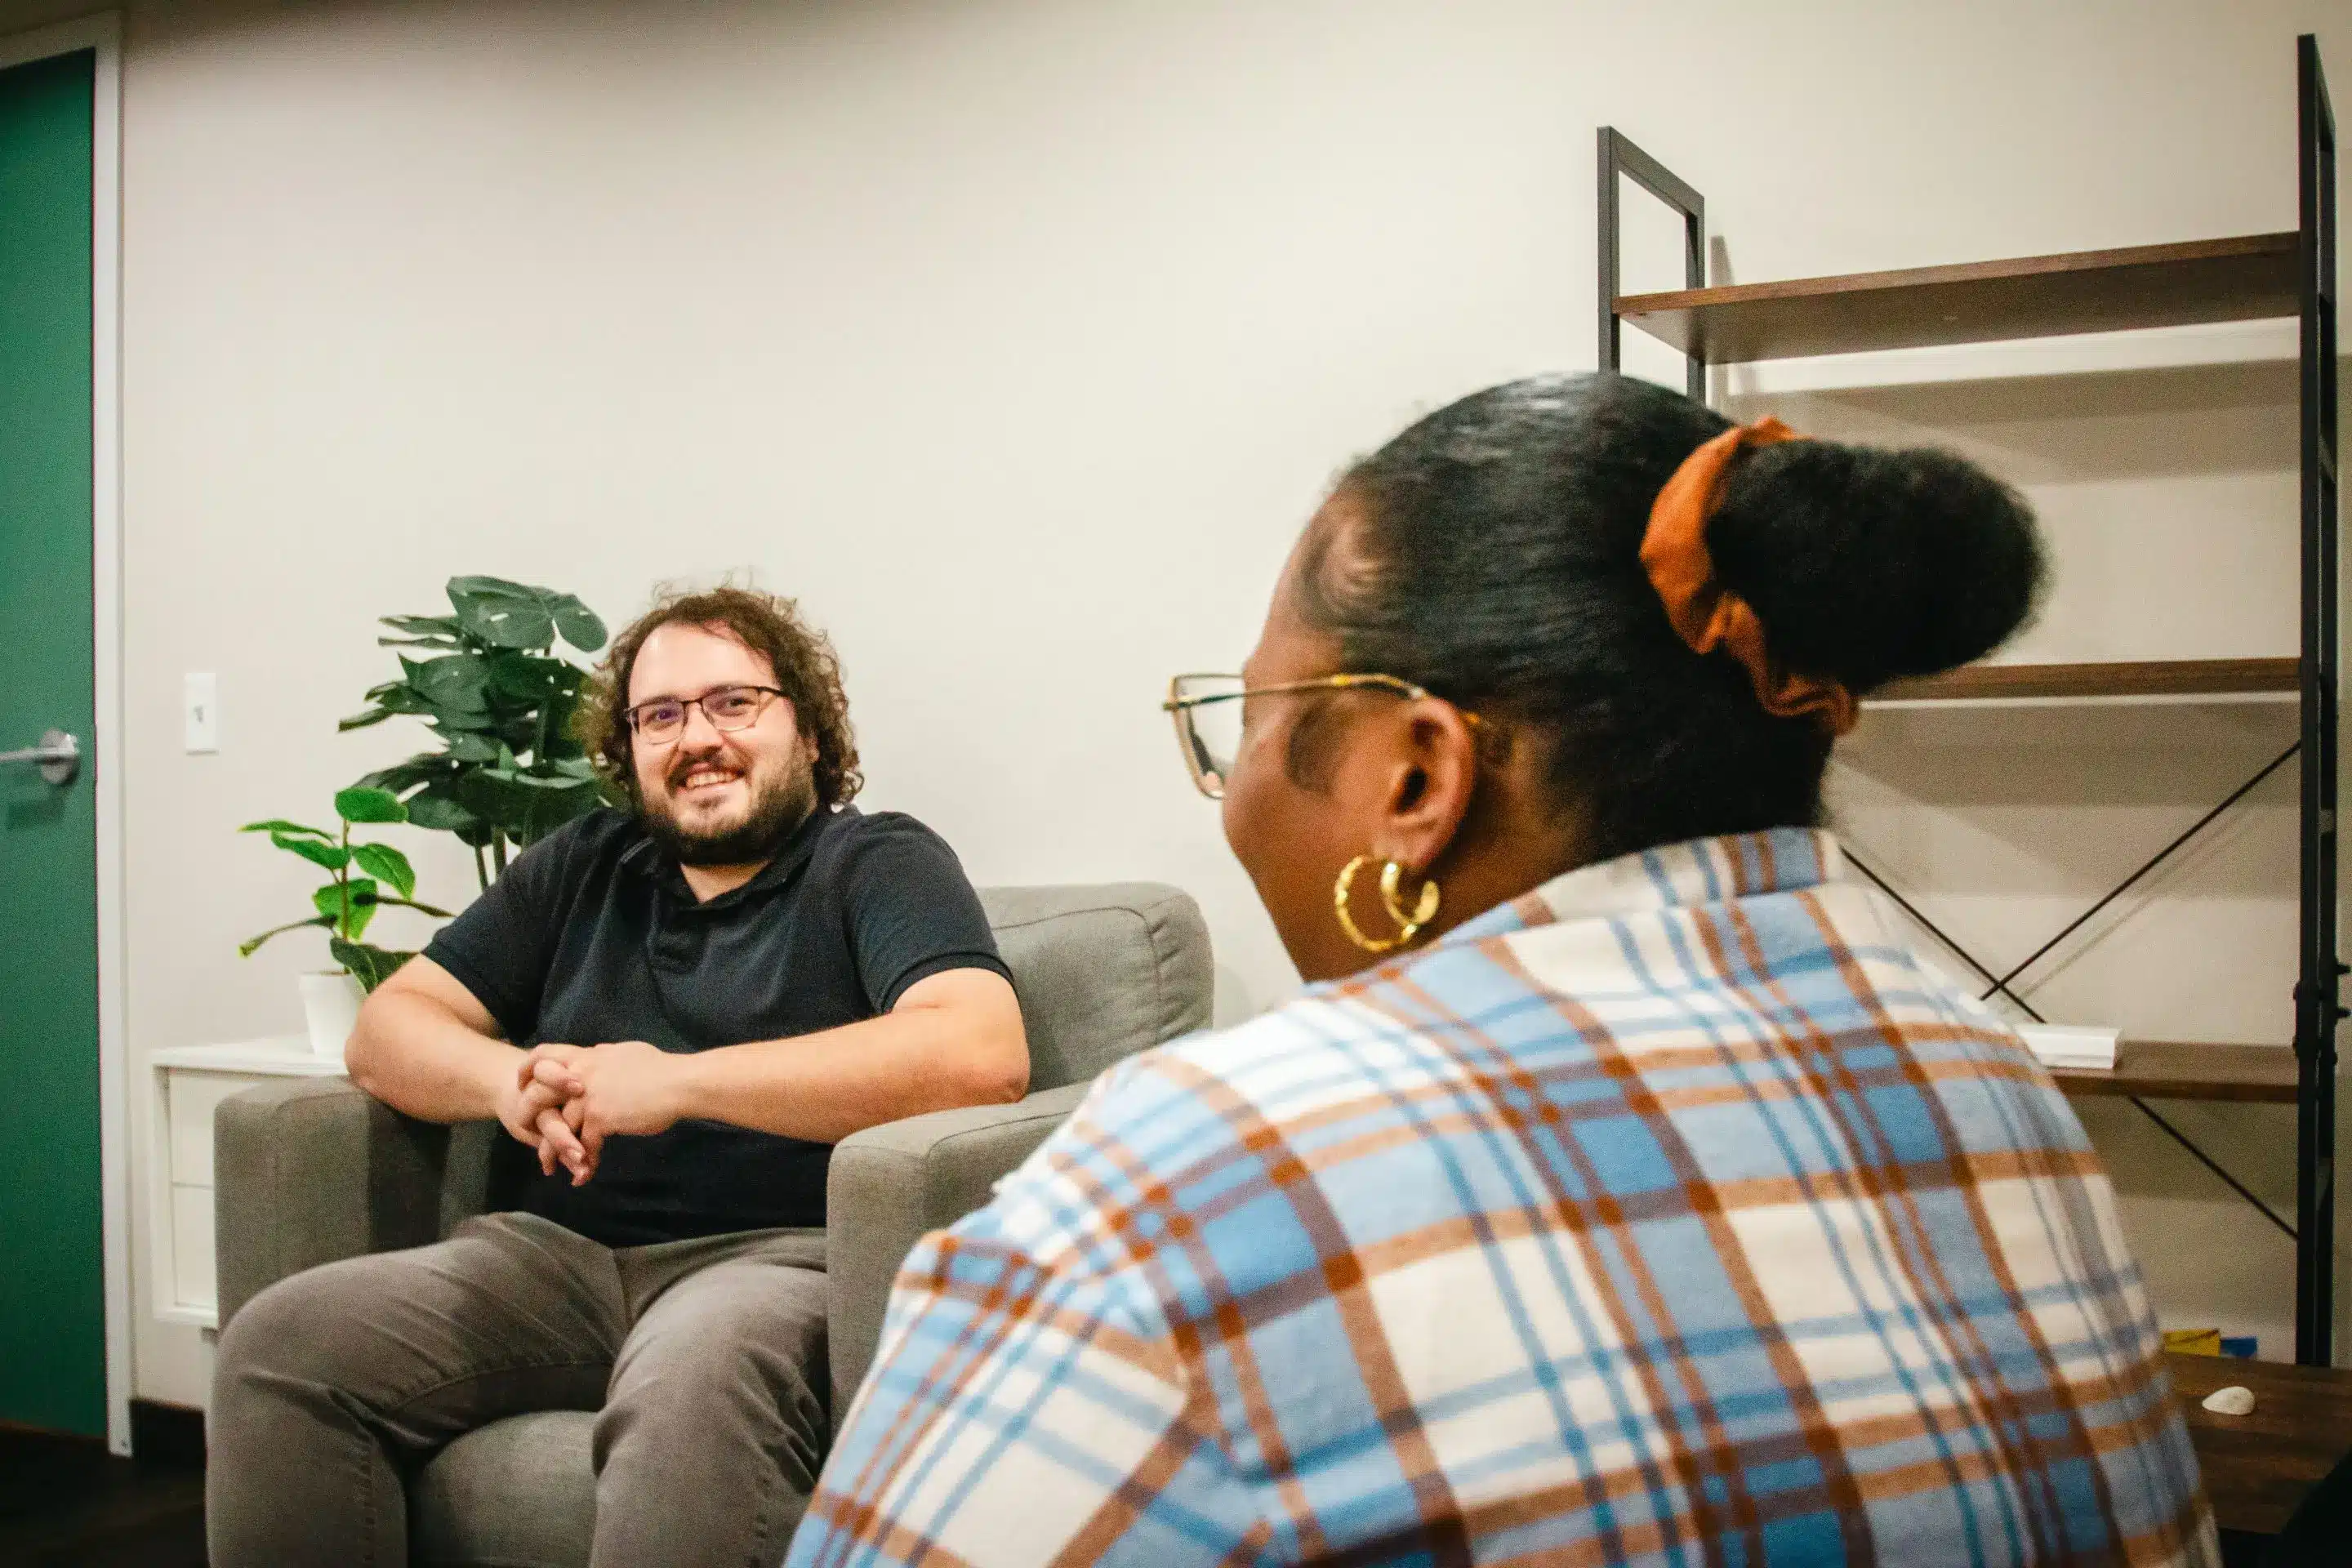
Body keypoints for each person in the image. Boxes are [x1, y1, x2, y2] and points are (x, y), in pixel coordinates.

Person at [789, 375, 2214, 1566]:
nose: (1230, 795)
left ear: (1419, 776)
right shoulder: (1991, 1084)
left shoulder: (1195, 1182)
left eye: (1247, 718)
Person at [208, 586, 1030, 1567]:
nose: (697, 738)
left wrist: (679, 1084)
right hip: (546, 1262)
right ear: (631, 746)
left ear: (808, 731)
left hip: (771, 1262)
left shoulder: (878, 862)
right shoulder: (586, 863)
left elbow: (982, 1052)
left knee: (692, 1385)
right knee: (281, 1346)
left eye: (734, 703)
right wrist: (504, 1079)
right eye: (661, 716)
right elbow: (386, 1029)